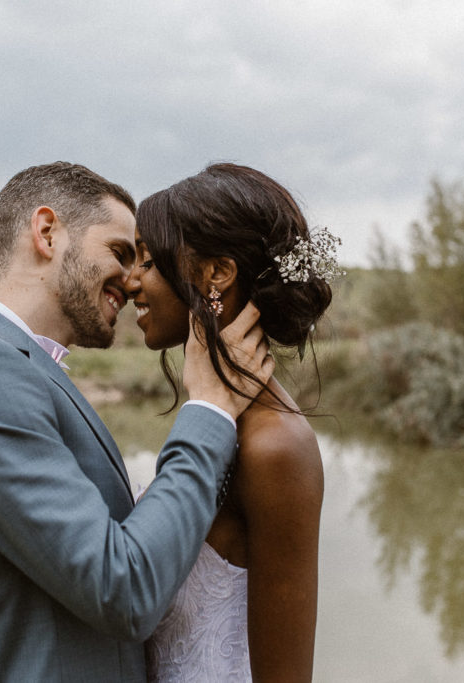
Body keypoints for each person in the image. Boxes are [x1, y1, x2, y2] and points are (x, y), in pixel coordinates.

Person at [0, 161, 274, 682]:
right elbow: (124, 590)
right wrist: (209, 410)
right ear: (47, 232)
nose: (133, 279)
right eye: (119, 252)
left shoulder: (20, 369)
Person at [124, 163, 337, 681]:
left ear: (216, 274)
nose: (130, 281)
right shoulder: (213, 418)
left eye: (148, 261)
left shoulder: (275, 448)